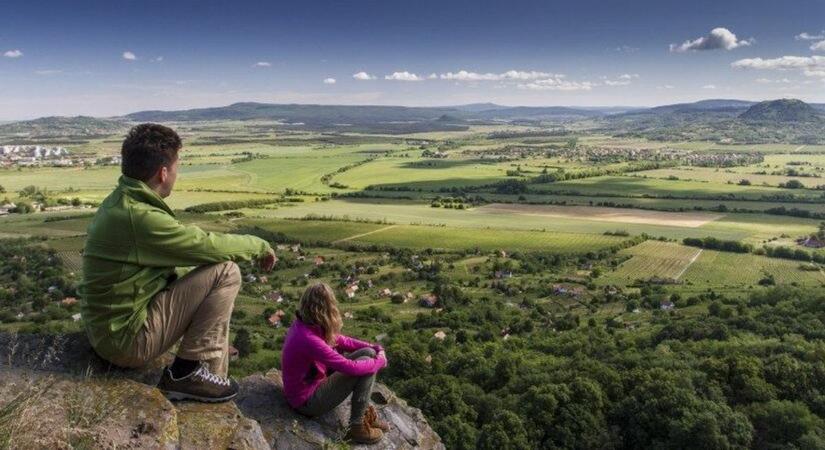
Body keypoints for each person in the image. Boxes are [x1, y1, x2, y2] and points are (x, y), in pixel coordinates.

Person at [79, 123, 277, 402]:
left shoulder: (121, 202)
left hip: (109, 331)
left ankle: (208, 378)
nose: (176, 173)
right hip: (126, 341)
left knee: (208, 274)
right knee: (226, 272)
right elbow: (206, 245)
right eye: (176, 167)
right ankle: (187, 374)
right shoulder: (139, 217)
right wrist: (259, 246)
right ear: (163, 173)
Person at [281, 283, 389, 444]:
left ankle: (364, 413)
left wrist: (373, 347)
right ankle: (357, 426)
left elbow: (340, 340)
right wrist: (379, 361)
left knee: (368, 353)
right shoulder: (308, 339)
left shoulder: (305, 324)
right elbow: (349, 367)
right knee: (367, 365)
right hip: (307, 401)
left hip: (312, 385)